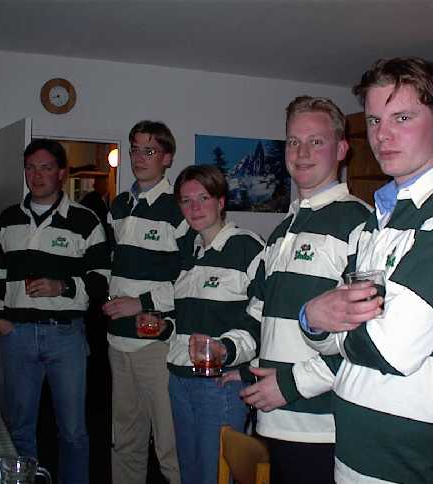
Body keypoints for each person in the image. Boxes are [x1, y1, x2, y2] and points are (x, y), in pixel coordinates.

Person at [301, 57, 433, 483]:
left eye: (402, 117)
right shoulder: (376, 223)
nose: (382, 135)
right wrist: (315, 321)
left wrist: (318, 317)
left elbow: (390, 349)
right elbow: (330, 338)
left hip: (420, 468)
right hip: (355, 459)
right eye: (375, 120)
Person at [239, 96, 372, 484]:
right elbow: (259, 314)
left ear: (342, 150)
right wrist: (239, 364)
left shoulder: (360, 223)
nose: (302, 152)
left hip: (321, 426)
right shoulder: (282, 231)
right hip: (271, 417)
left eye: (316, 141)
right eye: (294, 142)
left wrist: (290, 384)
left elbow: (369, 338)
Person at [0, 139, 110, 484]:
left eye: (45, 168)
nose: (37, 175)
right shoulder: (8, 219)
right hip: (17, 334)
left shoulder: (85, 220)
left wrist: (63, 287)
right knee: (19, 428)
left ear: (61, 173)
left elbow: (102, 280)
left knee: (73, 430)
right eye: (30, 168)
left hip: (65, 335)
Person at [164, 165, 264, 484]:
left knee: (215, 476)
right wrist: (163, 325)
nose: (194, 207)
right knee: (189, 474)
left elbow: (265, 314)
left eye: (203, 198)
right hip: (179, 379)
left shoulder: (246, 247)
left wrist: (231, 352)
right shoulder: (187, 251)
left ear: (221, 201)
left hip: (218, 385)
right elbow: (187, 317)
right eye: (186, 200)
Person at [102, 120, 185, 484]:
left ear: (167, 158)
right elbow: (111, 265)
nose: (138, 157)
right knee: (125, 441)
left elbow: (189, 278)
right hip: (117, 341)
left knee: (169, 445)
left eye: (149, 150)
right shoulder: (118, 205)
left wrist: (141, 303)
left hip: (156, 345)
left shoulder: (178, 208)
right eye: (135, 149)